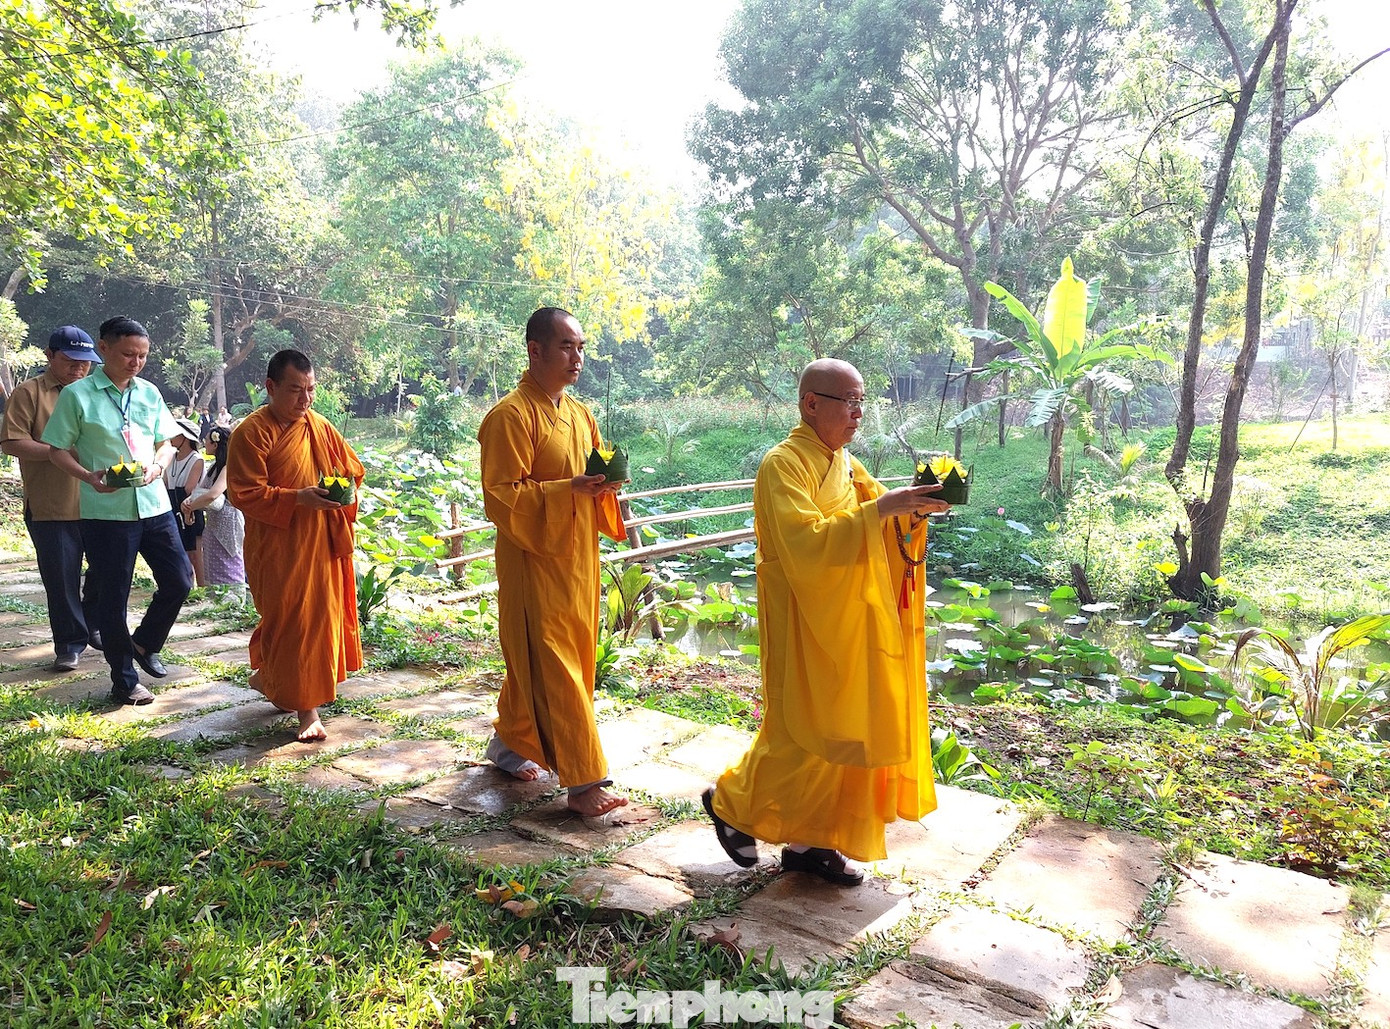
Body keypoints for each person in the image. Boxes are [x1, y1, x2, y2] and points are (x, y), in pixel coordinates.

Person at [702, 358, 950, 885]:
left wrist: (914, 509)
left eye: (862, 403)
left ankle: (809, 843)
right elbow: (805, 541)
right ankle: (729, 802)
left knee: (847, 728)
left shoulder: (844, 462)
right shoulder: (783, 463)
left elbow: (880, 516)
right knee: (802, 731)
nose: (858, 414)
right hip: (802, 613)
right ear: (811, 403)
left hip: (845, 615)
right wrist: (883, 510)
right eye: (849, 402)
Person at [477, 307, 629, 818]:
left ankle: (509, 744)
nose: (577, 358)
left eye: (581, 347)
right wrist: (569, 488)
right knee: (556, 664)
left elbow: (590, 472)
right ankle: (585, 779)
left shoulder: (581, 414)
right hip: (534, 560)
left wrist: (604, 483)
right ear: (535, 350)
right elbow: (501, 496)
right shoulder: (510, 416)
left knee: (558, 661)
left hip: (578, 557)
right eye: (566, 346)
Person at [41, 316, 193, 705]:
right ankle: (124, 680)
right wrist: (88, 477)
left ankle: (144, 643)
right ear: (104, 349)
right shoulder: (78, 395)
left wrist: (159, 465)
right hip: (105, 510)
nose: (135, 362)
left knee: (179, 580)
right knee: (113, 597)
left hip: (155, 505)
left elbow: (167, 441)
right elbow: (57, 449)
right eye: (128, 353)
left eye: (142, 355)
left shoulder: (148, 392)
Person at [227, 349, 363, 743]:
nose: (305, 400)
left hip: (321, 540)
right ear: (270, 388)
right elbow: (244, 493)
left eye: (311, 390)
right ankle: (308, 712)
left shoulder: (318, 426)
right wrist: (298, 497)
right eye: (295, 390)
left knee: (315, 620)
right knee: (292, 621)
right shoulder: (251, 433)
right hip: (278, 545)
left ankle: (271, 678)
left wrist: (344, 490)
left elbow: (350, 469)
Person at [1, 326, 103, 671]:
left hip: (101, 501)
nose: (78, 369)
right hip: (53, 503)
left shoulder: (98, 393)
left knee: (107, 570)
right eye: (70, 361)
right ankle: (70, 643)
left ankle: (93, 625)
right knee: (61, 579)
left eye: (85, 363)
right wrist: (61, 452)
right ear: (49, 355)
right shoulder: (29, 393)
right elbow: (13, 443)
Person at [182, 424, 245, 586]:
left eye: (207, 440)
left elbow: (212, 494)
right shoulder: (213, 468)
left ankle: (232, 602)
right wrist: (188, 505)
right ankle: (217, 600)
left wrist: (191, 507)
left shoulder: (228, 467)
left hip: (229, 522)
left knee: (229, 563)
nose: (204, 442)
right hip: (213, 522)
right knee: (213, 563)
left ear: (215, 445)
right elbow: (199, 492)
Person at [164, 417, 206, 586]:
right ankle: (188, 585)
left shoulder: (197, 459)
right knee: (180, 551)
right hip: (173, 506)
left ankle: (202, 588)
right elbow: (165, 482)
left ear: (185, 437)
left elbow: (189, 488)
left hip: (190, 507)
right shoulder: (171, 458)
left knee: (195, 552)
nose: (171, 438)